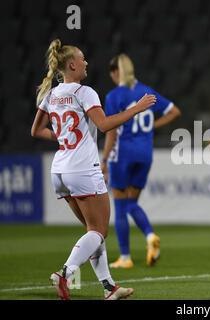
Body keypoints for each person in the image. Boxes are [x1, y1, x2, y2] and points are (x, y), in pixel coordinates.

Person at [31, 40, 156, 299]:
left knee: (93, 231)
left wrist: (65, 137)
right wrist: (136, 108)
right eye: (82, 59)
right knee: (99, 231)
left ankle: (110, 288)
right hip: (82, 168)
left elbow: (36, 130)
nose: (86, 62)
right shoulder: (84, 91)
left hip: (60, 170)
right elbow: (105, 125)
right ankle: (65, 273)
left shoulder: (51, 94)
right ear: (72, 64)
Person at [102, 54, 181, 269]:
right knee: (132, 203)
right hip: (145, 153)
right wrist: (153, 126)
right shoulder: (147, 92)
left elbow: (111, 132)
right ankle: (149, 235)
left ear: (116, 72)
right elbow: (175, 111)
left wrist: (104, 158)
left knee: (120, 205)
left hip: (123, 154)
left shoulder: (113, 96)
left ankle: (125, 257)